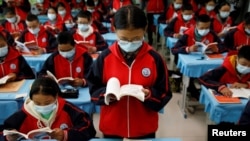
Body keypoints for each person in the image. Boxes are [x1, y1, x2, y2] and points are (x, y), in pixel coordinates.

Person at [86, 5, 172, 138]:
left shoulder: (155, 58)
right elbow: (93, 89)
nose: (130, 43)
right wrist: (107, 96)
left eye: (136, 38)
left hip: (143, 127)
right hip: (112, 126)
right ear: (114, 30)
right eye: (124, 39)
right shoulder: (104, 58)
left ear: (145, 29)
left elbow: (165, 92)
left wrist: (149, 95)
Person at [3, 76, 96, 141]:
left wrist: (66, 135)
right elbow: (4, 131)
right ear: (31, 99)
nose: (42, 106)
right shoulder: (23, 114)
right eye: (37, 103)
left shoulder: (68, 109)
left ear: (56, 96)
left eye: (47, 102)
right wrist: (8, 137)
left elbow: (89, 128)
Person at [171, 14, 225, 100]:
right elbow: (174, 49)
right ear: (196, 25)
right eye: (202, 28)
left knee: (215, 73)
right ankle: (194, 92)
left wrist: (217, 48)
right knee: (191, 76)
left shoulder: (212, 33)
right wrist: (188, 49)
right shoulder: (187, 34)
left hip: (206, 59)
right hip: (191, 61)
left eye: (207, 28)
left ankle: (206, 91)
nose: (205, 30)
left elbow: (223, 46)